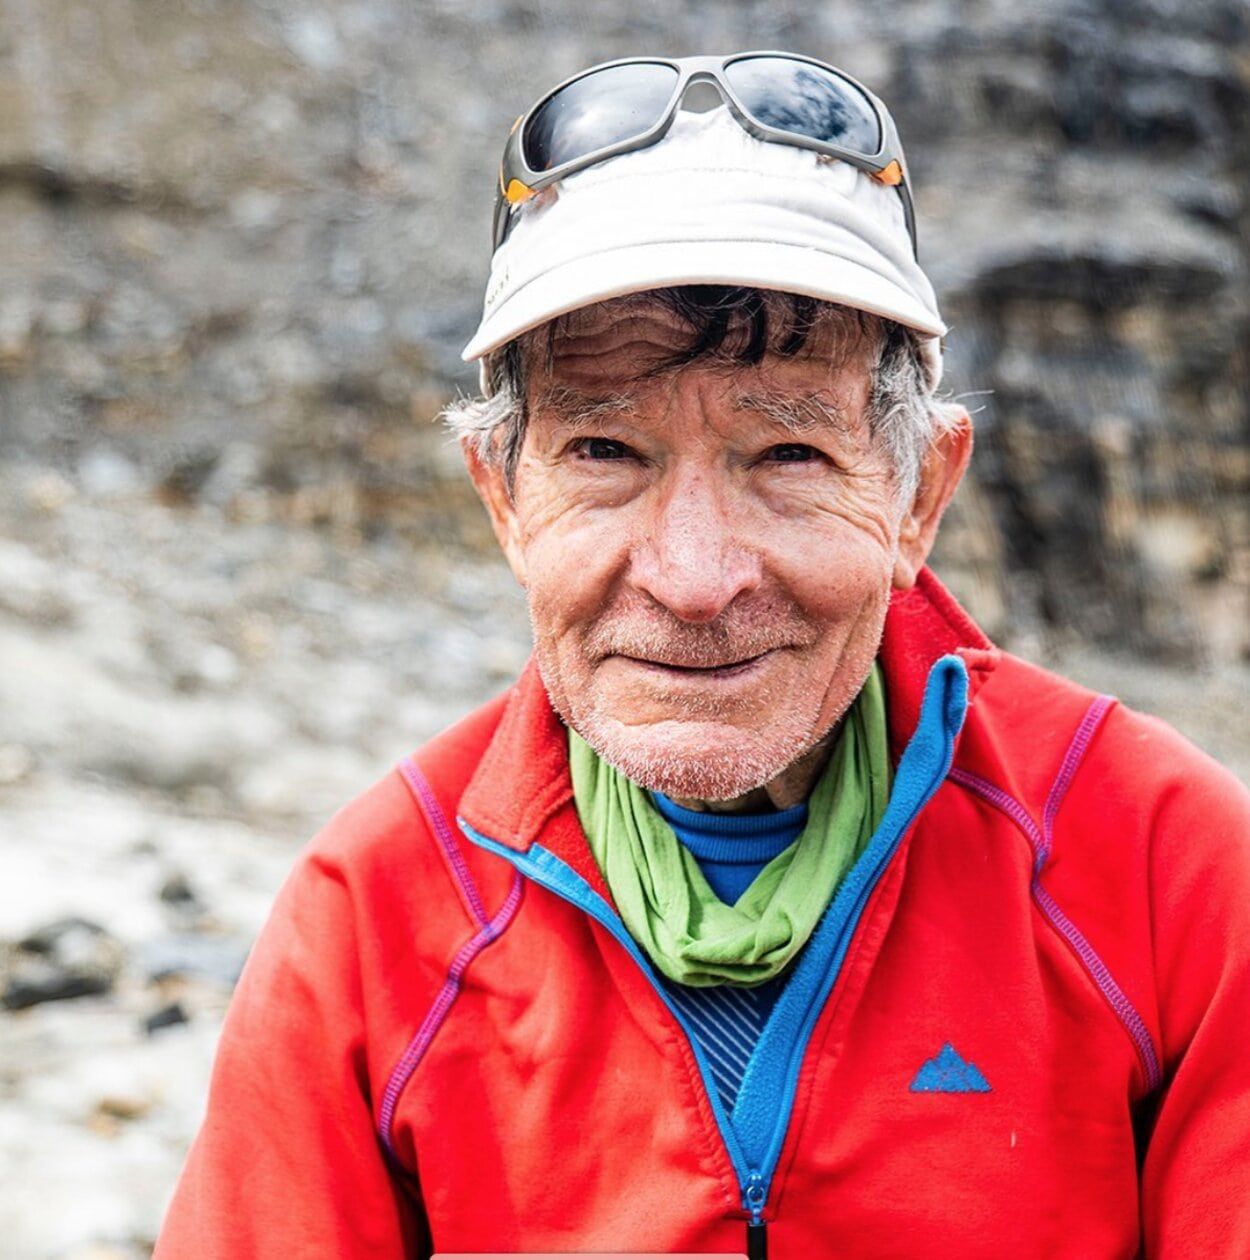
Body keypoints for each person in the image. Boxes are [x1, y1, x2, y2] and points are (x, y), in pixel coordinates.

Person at [154, 53, 1250, 1259]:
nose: (691, 576)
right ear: (503, 501)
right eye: (603, 452)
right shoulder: (375, 919)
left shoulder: (1163, 865)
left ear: (918, 496)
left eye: (786, 456)